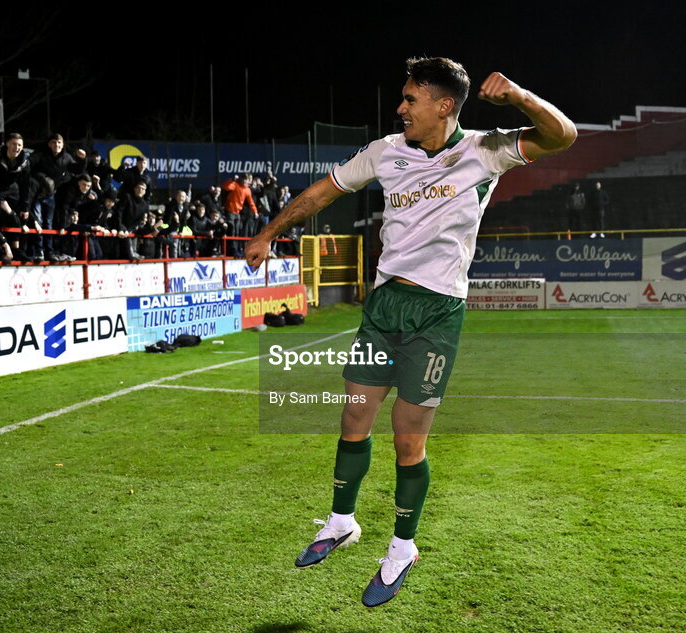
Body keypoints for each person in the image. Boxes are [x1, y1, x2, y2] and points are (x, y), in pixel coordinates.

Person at [245, 57, 576, 607]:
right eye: (402, 99)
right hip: (385, 304)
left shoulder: (483, 151)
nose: (400, 108)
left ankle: (402, 546)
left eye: (411, 99)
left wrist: (518, 95)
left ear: (444, 106)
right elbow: (323, 193)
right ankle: (341, 522)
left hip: (437, 310)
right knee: (354, 417)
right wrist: (268, 232)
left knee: (406, 437)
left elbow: (562, 136)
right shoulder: (385, 151)